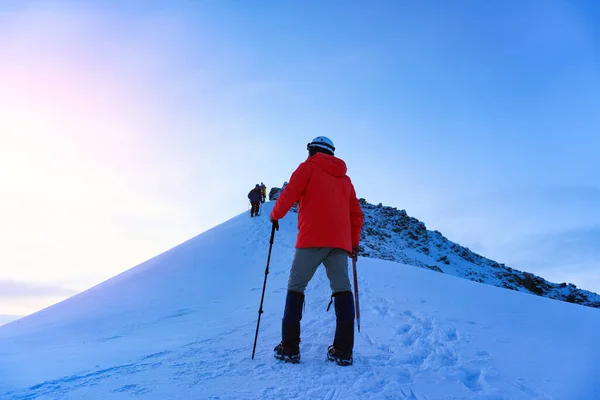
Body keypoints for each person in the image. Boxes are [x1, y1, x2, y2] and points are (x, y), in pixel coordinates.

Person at [269, 136, 363, 366]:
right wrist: (352, 243)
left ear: (311, 150)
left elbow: (289, 193)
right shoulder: (345, 180)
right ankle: (343, 351)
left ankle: (289, 348)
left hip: (311, 238)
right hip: (339, 243)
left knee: (296, 287)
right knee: (342, 290)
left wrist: (274, 215)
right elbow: (356, 214)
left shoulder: (307, 168)